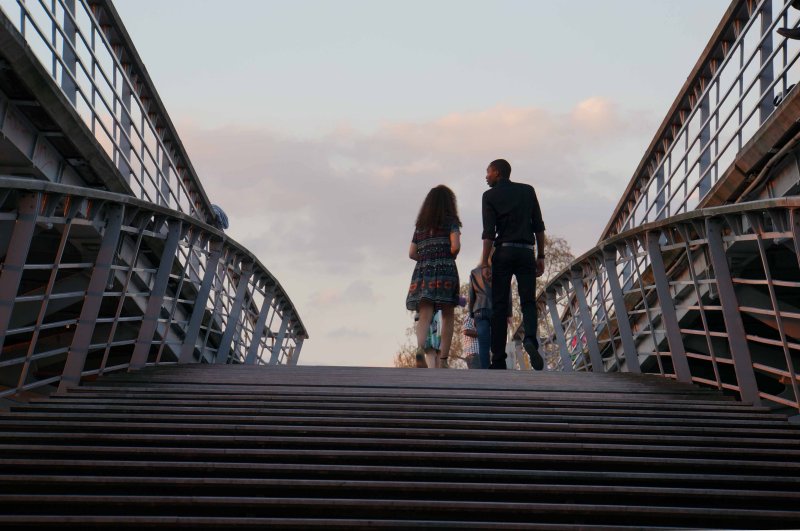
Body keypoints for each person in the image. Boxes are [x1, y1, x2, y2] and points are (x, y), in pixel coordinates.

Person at [479, 159, 546, 370]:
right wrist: (541, 255)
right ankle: (530, 340)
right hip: (526, 252)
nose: (486, 176)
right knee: (527, 301)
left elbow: (489, 233)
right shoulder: (528, 191)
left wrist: (484, 262)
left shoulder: (489, 196)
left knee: (499, 306)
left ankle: (498, 360)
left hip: (504, 251)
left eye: (488, 172)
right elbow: (539, 226)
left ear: (497, 172)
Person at [406, 185, 462, 369]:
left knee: (425, 313)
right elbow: (455, 246)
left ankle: (420, 349)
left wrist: (426, 257)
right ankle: (443, 360)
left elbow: (412, 252)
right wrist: (450, 253)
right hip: (445, 268)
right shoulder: (451, 221)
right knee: (447, 314)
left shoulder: (421, 225)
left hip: (424, 271)